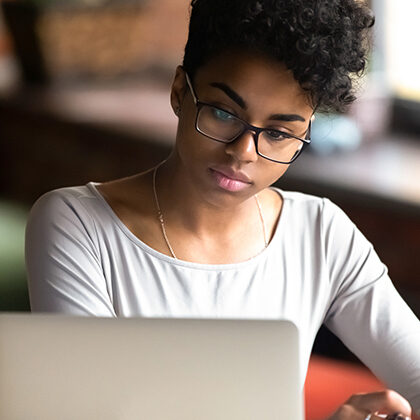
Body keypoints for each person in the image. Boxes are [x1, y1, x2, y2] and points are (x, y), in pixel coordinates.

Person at [25, 0, 420, 419]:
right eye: (222, 112)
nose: (244, 152)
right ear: (180, 92)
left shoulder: (321, 235)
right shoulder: (77, 228)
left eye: (279, 133)